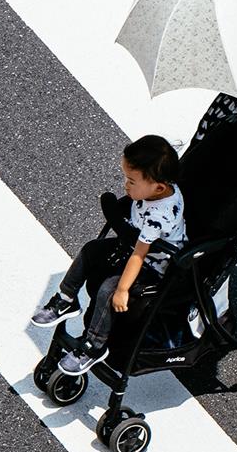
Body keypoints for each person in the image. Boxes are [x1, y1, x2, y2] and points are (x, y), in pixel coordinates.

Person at [32, 134, 187, 369]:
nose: (126, 185)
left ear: (158, 188)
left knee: (108, 289)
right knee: (91, 250)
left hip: (152, 264)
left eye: (131, 181)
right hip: (132, 242)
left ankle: (95, 344)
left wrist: (123, 290)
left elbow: (139, 255)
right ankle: (66, 298)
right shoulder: (155, 184)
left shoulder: (160, 216)